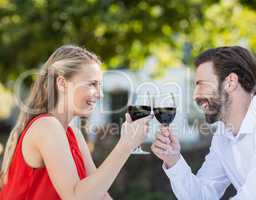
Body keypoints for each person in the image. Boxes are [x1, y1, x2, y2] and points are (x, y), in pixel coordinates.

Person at [0, 45, 152, 199]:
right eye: (92, 84)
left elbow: (100, 196)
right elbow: (75, 197)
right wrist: (126, 144)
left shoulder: (74, 134)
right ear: (62, 83)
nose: (100, 94)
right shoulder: (46, 126)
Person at [151, 46, 256, 199]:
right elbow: (202, 195)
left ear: (230, 82)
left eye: (202, 84)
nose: (195, 95)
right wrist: (173, 160)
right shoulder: (223, 135)